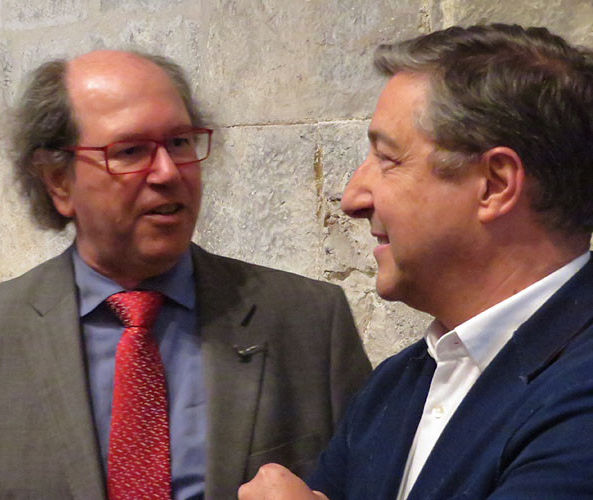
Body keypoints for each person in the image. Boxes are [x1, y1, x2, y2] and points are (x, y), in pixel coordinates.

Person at [0, 50, 371, 500]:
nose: (167, 172)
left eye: (179, 143)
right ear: (59, 181)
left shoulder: (309, 320)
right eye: (130, 151)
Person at [239, 23, 593, 500]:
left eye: (388, 159)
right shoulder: (395, 386)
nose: (352, 198)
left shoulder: (580, 389)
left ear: (494, 185)